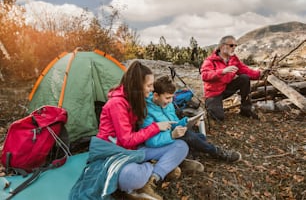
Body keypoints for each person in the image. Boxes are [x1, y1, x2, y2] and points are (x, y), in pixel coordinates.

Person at [90, 61, 189, 200]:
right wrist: (156, 127)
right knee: (131, 177)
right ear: (137, 85)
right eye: (149, 85)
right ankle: (157, 168)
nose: (151, 89)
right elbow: (126, 140)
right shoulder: (116, 104)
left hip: (134, 150)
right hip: (115, 154)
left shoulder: (135, 99)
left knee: (180, 146)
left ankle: (153, 178)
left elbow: (158, 101)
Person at [142, 75, 242, 163]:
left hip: (172, 135)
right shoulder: (147, 111)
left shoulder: (167, 104)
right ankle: (216, 152)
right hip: (160, 143)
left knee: (200, 137)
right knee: (190, 135)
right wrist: (171, 135)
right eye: (167, 98)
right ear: (156, 95)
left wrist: (187, 121)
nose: (170, 101)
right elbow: (150, 141)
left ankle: (189, 155)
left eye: (172, 97)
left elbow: (174, 123)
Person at [200, 35, 265, 122]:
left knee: (244, 78)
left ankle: (246, 110)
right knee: (218, 117)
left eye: (235, 45)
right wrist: (222, 71)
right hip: (213, 93)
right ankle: (211, 106)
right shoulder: (210, 60)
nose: (234, 48)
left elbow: (245, 70)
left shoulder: (233, 59)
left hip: (226, 88)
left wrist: (260, 74)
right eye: (231, 45)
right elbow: (204, 75)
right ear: (222, 46)